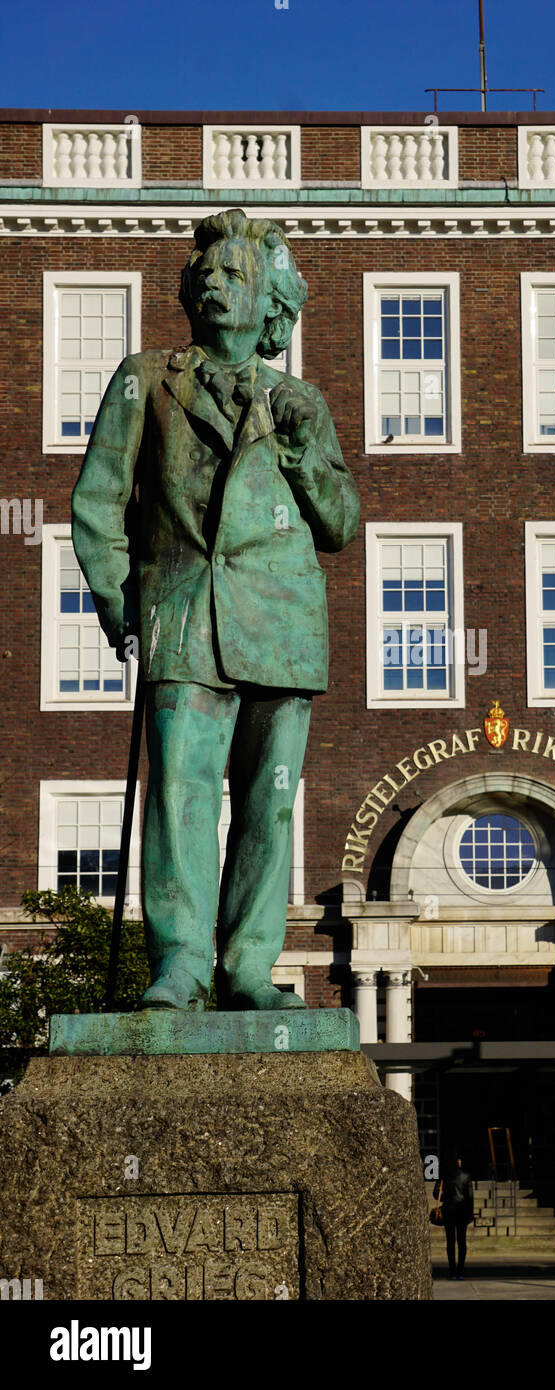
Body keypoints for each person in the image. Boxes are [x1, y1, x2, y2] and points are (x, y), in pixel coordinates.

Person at [71, 208, 360, 1010]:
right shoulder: (145, 378)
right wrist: (125, 606)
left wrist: (301, 450)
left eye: (234, 273)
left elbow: (340, 523)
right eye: (205, 272)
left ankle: (248, 968)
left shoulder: (300, 400)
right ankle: (181, 963)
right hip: (181, 615)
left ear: (270, 302)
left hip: (283, 627)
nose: (213, 282)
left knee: (270, 803)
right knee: (180, 795)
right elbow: (97, 505)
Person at [434, 1152, 475, 1280]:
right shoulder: (466, 1176)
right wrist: (470, 1214)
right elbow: (470, 1197)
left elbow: (435, 1193)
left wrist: (446, 1197)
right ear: (459, 1162)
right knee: (462, 1241)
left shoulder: (444, 1175)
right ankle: (460, 1271)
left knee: (450, 1241)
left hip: (448, 1211)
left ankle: (452, 1271)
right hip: (462, 1211)